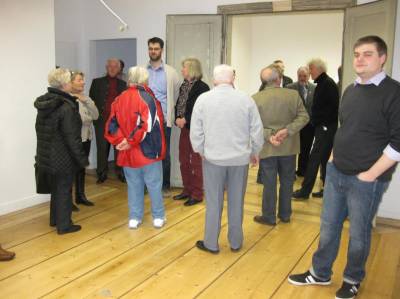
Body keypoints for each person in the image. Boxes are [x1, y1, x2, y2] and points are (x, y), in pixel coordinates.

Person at [288, 36, 400, 299]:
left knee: (359, 234)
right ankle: (320, 272)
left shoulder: (394, 92)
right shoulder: (350, 90)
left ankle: (352, 279)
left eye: (368, 54)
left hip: (367, 179)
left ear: (382, 58)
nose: (360, 59)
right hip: (338, 171)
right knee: (328, 227)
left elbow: (397, 143)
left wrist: (369, 175)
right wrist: (332, 158)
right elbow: (345, 127)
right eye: (357, 54)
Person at [190, 64, 264, 254]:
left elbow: (195, 131)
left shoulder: (203, 99)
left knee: (213, 203)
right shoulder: (246, 99)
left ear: (214, 80)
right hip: (239, 160)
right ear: (233, 79)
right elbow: (256, 130)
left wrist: (200, 150)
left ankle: (211, 243)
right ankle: (235, 242)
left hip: (213, 159)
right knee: (236, 201)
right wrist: (255, 152)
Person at [104, 66, 167, 229]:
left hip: (127, 152)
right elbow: (147, 125)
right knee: (154, 184)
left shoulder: (119, 98)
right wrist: (130, 140)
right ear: (144, 80)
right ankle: (158, 216)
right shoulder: (148, 98)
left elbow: (111, 124)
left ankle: (134, 217)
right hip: (148, 151)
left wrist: (121, 141)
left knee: (133, 185)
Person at [34, 68, 88, 234]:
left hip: (47, 155)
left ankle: (55, 220)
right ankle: (64, 225)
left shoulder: (45, 103)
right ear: (65, 85)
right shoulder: (66, 107)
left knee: (56, 189)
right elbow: (72, 138)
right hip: (62, 156)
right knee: (64, 189)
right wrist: (82, 159)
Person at [253, 65, 309, 225]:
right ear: (279, 79)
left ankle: (268, 216)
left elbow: (253, 125)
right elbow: (304, 117)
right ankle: (285, 214)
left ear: (263, 81)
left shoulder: (255, 98)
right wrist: (287, 130)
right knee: (287, 181)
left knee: (269, 182)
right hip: (288, 146)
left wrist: (269, 135)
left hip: (268, 146)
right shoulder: (293, 95)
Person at [292, 58, 339, 199]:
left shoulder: (327, 84)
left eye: (310, 69)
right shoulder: (324, 83)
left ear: (318, 69)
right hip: (325, 127)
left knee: (314, 159)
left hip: (325, 128)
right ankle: (327, 190)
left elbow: (330, 109)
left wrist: (316, 121)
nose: (310, 72)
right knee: (324, 160)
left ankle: (305, 191)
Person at [146, 37, 180, 197]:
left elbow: (176, 95)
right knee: (147, 153)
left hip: (164, 120)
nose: (153, 51)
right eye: (151, 48)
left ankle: (165, 186)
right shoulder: (142, 71)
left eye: (156, 49)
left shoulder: (171, 72)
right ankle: (148, 186)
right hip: (145, 121)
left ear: (161, 50)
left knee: (164, 154)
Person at [173, 58, 209, 206]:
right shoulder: (184, 85)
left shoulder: (202, 87)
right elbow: (179, 104)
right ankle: (186, 190)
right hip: (184, 130)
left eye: (184, 68)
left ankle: (197, 194)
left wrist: (185, 119)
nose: (182, 70)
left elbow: (200, 109)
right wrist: (177, 117)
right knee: (183, 160)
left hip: (196, 130)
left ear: (192, 69)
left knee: (196, 162)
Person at [89, 58, 127, 184]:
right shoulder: (96, 82)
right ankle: (102, 173)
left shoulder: (123, 84)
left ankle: (120, 172)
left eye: (115, 66)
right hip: (101, 122)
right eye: (110, 66)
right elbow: (91, 102)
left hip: (117, 123)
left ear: (119, 69)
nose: (112, 68)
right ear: (106, 67)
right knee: (102, 148)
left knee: (119, 148)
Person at [70, 71, 99, 209]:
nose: (83, 82)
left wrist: (85, 100)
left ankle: (80, 196)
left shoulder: (86, 98)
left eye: (83, 80)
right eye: (79, 80)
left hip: (86, 137)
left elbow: (96, 115)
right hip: (75, 138)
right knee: (70, 170)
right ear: (71, 82)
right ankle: (68, 201)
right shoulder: (68, 99)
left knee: (81, 168)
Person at [287, 66, 316, 176]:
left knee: (306, 148)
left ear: (309, 76)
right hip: (295, 124)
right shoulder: (290, 87)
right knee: (293, 149)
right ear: (297, 75)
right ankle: (290, 172)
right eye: (300, 76)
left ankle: (302, 171)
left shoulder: (314, 88)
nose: (302, 78)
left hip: (309, 125)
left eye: (305, 76)